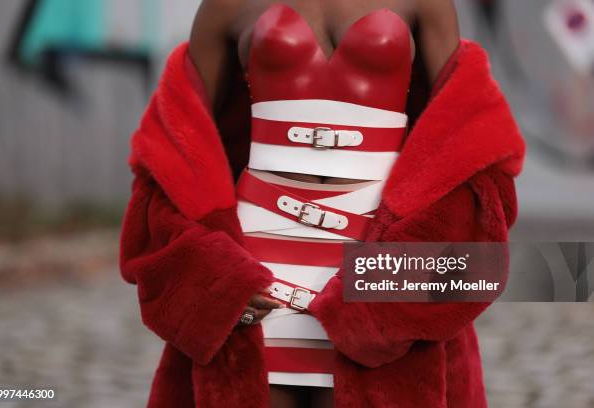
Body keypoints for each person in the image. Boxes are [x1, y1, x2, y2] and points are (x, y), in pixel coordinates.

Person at [120, 1, 525, 407]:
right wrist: (217, 285)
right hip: (259, 268)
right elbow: (177, 152)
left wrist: (400, 278)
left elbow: (465, 143)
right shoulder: (225, 5)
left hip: (377, 263)